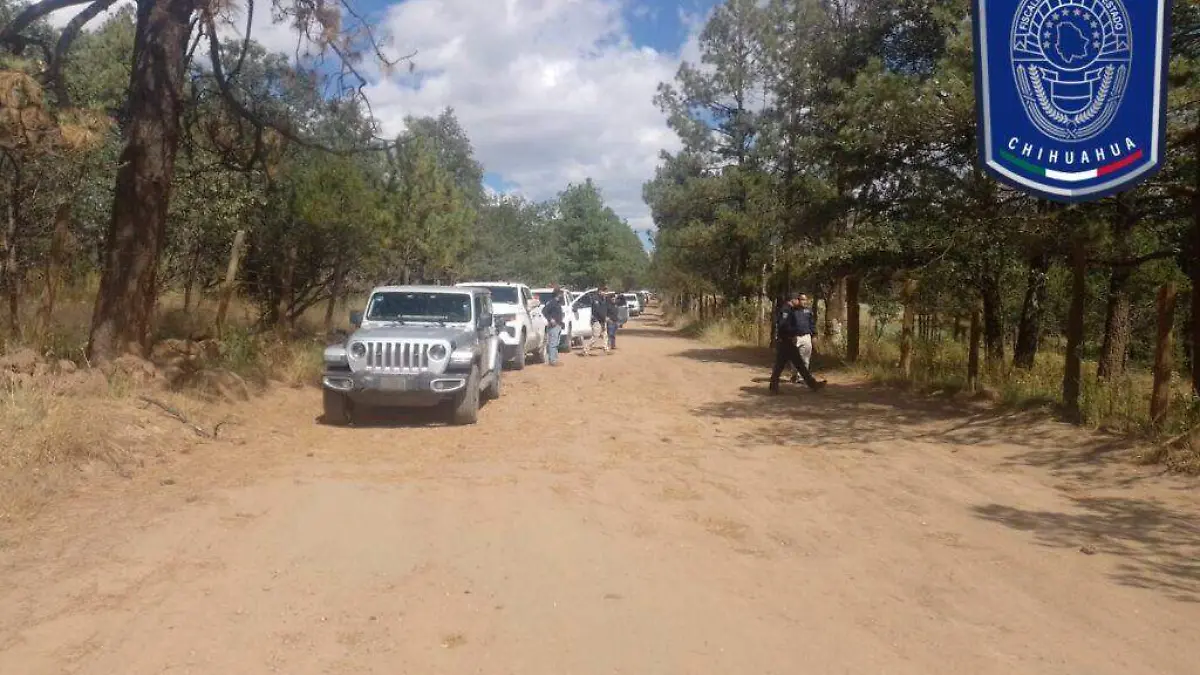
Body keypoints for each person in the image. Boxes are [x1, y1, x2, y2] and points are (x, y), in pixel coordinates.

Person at [770, 291, 826, 394]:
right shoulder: (786, 309)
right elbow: (782, 325)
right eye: (797, 299)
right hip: (785, 341)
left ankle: (812, 384)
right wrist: (794, 331)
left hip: (788, 341)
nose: (798, 301)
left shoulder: (790, 309)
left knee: (798, 364)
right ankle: (773, 387)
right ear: (793, 300)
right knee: (781, 366)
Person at [790, 293, 817, 383]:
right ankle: (794, 374)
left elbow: (812, 324)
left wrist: (814, 335)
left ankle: (801, 378)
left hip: (806, 336)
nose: (804, 301)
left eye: (805, 299)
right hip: (795, 337)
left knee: (805, 358)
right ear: (798, 300)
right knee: (794, 358)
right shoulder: (792, 311)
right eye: (802, 299)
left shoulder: (808, 311)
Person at [542, 287, 565, 366]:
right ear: (557, 294)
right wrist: (550, 319)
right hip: (553, 326)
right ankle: (552, 360)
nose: (562, 295)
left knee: (556, 343)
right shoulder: (552, 302)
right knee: (553, 343)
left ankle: (554, 359)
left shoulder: (558, 303)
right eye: (561, 293)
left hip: (558, 325)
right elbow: (544, 311)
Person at [585, 288, 611, 356]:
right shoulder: (595, 299)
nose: (605, 293)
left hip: (602, 320)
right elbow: (598, 311)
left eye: (606, 291)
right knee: (595, 336)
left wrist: (607, 316)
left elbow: (606, 309)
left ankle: (606, 348)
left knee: (605, 335)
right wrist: (604, 317)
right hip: (597, 320)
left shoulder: (604, 299)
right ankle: (586, 349)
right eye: (603, 291)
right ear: (599, 291)